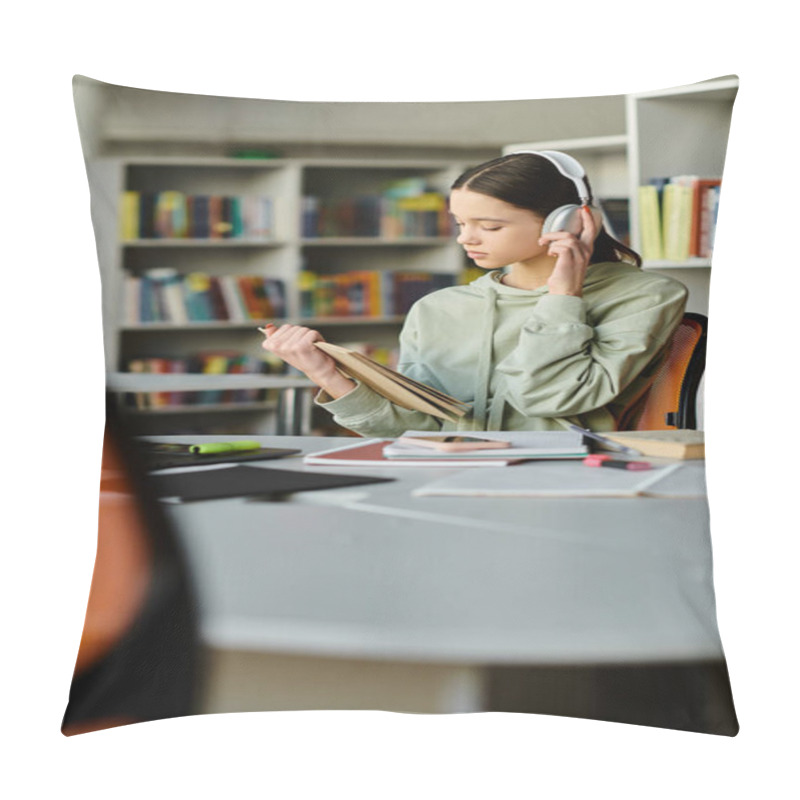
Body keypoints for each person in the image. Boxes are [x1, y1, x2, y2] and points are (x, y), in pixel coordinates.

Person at [260, 151, 688, 435]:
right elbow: (418, 430)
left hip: (567, 481)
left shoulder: (647, 296)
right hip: (451, 476)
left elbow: (552, 398)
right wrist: (325, 374)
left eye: (491, 226)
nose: (467, 239)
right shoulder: (438, 309)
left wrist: (562, 297)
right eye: (461, 223)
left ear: (567, 222)